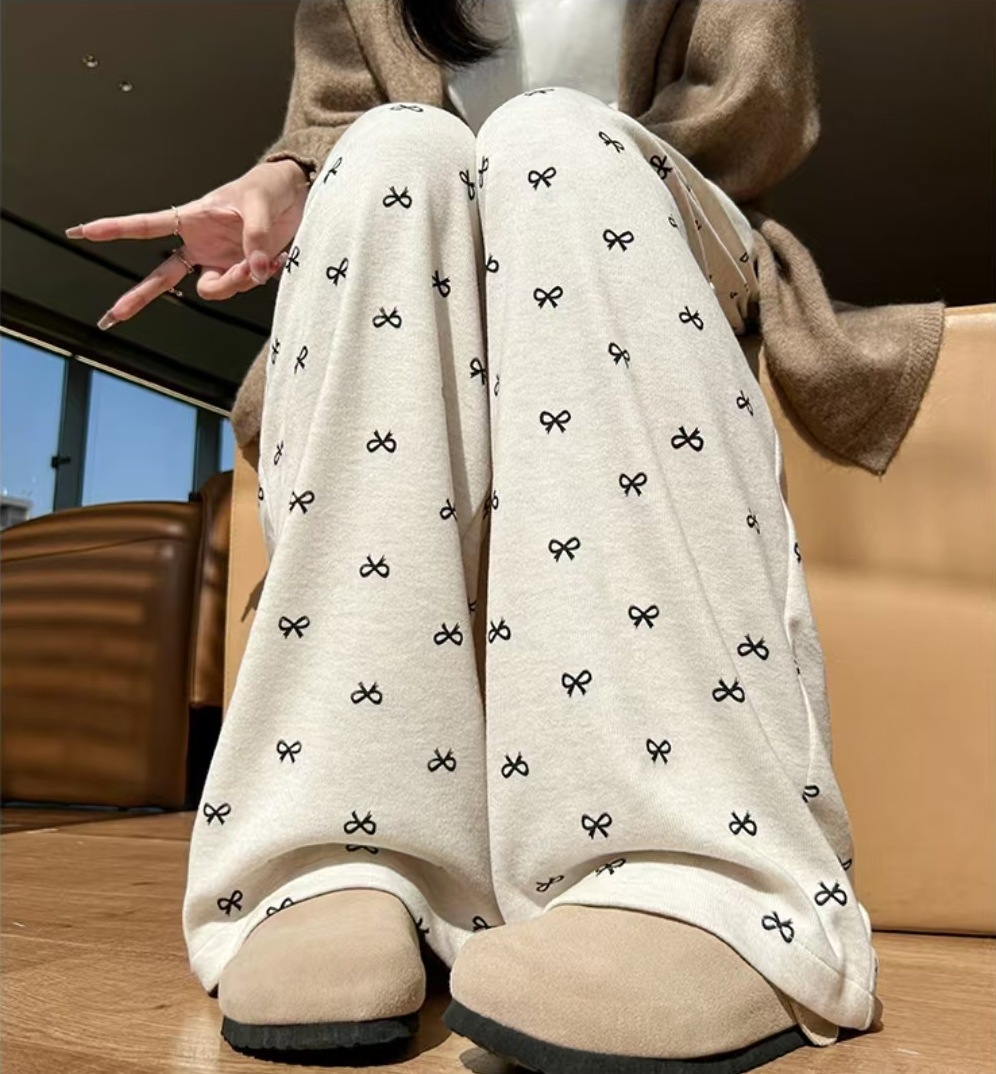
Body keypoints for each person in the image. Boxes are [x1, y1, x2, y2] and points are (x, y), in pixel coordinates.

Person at [66, 2, 906, 1071]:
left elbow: (755, 114)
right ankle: (346, 852)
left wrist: (516, 193)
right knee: (390, 152)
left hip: (640, 222)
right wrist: (288, 179)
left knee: (552, 141)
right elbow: (330, 121)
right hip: (423, 255)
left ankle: (703, 869)